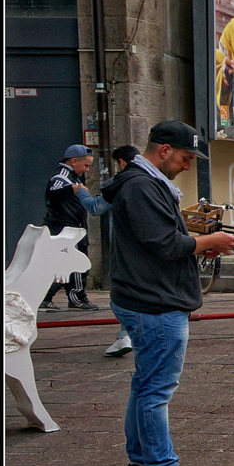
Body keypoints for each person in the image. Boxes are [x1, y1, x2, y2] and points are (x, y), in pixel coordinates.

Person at [101, 121, 234, 466]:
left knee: (145, 383)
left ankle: (140, 464)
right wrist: (205, 240)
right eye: (185, 157)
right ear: (163, 150)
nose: (187, 165)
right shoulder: (143, 186)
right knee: (156, 389)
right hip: (154, 302)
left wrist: (197, 245)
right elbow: (163, 244)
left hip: (146, 296)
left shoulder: (140, 183)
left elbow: (158, 242)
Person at [41, 144, 100, 310]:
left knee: (64, 266)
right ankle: (77, 298)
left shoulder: (72, 177)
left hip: (69, 228)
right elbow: (54, 188)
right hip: (65, 229)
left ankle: (47, 298)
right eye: (86, 165)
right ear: (74, 161)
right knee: (74, 265)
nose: (87, 169)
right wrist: (73, 189)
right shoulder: (63, 177)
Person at [102, 146, 140, 356]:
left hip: (124, 245)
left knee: (122, 291)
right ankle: (127, 335)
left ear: (122, 162)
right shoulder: (153, 180)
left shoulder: (120, 182)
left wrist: (80, 193)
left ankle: (126, 336)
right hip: (140, 248)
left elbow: (96, 207)